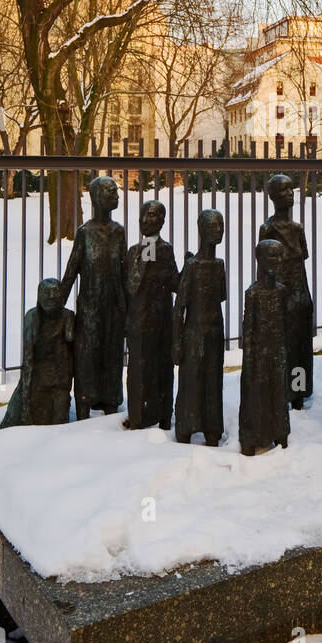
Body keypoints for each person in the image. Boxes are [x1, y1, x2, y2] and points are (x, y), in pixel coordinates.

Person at [60, 175, 127, 420]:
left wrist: (127, 307)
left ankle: (110, 401)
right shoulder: (84, 233)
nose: (117, 197)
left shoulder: (119, 232)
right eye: (112, 193)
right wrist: (59, 307)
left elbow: (124, 271)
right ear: (98, 197)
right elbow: (71, 271)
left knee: (112, 354)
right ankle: (85, 403)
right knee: (87, 357)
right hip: (89, 308)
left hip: (114, 307)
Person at [259, 174, 314, 407]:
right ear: (272, 197)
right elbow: (263, 268)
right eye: (284, 190)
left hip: (299, 293)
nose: (290, 194)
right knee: (284, 345)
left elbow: (302, 260)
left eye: (291, 189)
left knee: (301, 344)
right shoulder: (267, 228)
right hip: (280, 294)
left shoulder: (297, 228)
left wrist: (305, 296)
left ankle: (299, 389)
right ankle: (284, 388)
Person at [173, 209, 226, 446]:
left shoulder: (219, 265)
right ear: (202, 230)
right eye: (214, 226)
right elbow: (179, 307)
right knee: (191, 382)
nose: (219, 230)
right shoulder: (193, 267)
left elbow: (219, 300)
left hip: (214, 333)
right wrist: (177, 341)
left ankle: (212, 428)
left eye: (221, 225)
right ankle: (186, 426)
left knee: (213, 382)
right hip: (194, 333)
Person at [125, 199, 179, 430]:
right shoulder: (135, 251)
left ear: (163, 221)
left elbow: (174, 283)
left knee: (161, 369)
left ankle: (162, 415)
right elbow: (132, 285)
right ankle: (140, 416)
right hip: (139, 320)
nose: (147, 220)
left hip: (160, 320)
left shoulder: (162, 249)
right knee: (139, 370)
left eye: (154, 215)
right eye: (144, 215)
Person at [238, 239, 290, 456]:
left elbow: (285, 326)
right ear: (259, 260)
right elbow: (248, 331)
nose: (277, 261)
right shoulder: (254, 294)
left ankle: (279, 432)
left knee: (278, 393)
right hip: (258, 356)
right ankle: (252, 437)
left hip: (277, 354)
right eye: (272, 256)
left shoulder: (281, 291)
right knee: (256, 396)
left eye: (279, 256)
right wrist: (250, 360)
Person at [0, 278, 74, 427]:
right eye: (47, 292)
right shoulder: (32, 317)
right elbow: (28, 360)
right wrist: (25, 400)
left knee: (59, 422)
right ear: (39, 297)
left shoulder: (68, 316)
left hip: (60, 380)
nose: (52, 296)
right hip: (38, 379)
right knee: (37, 421)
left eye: (56, 292)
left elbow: (72, 347)